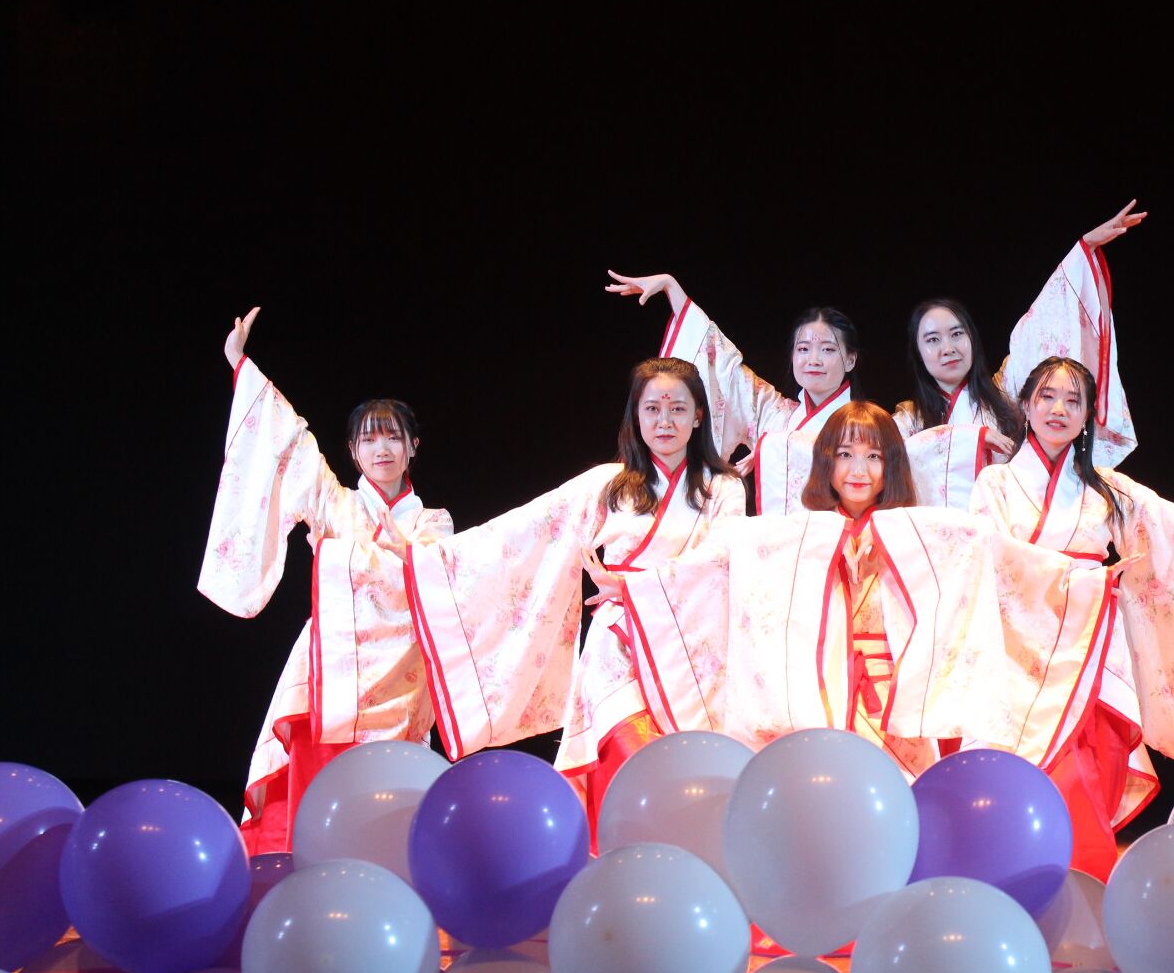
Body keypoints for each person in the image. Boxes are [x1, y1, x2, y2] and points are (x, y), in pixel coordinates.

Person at [609, 402, 1116, 779]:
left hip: (895, 704)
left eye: (873, 456)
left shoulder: (920, 533)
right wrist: (635, 587)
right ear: (825, 463)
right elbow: (720, 561)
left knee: (902, 818)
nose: (858, 470)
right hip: (815, 698)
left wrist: (1084, 580)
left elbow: (998, 553)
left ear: (890, 465)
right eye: (845, 455)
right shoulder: (794, 535)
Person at [971, 357, 1174, 878]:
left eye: (1074, 401)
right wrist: (1078, 579)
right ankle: (1018, 881)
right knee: (1019, 777)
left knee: (1089, 770)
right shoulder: (995, 483)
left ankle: (1086, 888)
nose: (1059, 409)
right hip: (1017, 650)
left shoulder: (1108, 490)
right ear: (1026, 405)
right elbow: (989, 554)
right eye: (1047, 396)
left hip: (1094, 650)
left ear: (1087, 416)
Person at [388, 358, 743, 833]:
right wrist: (428, 559)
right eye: (652, 408)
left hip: (692, 651)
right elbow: (524, 529)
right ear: (635, 415)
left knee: (688, 775)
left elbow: (723, 558)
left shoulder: (723, 488)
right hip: (618, 647)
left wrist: (634, 586)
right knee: (630, 755)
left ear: (698, 415)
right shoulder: (609, 484)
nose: (664, 421)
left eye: (677, 408)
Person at [199, 307, 452, 854]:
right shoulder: (335, 503)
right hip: (330, 668)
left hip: (401, 677)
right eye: (368, 440)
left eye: (392, 438)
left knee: (390, 803)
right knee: (315, 792)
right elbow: (289, 441)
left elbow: (435, 581)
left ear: (413, 446)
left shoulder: (434, 524)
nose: (381, 449)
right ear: (353, 452)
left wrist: (370, 556)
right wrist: (240, 364)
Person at [895, 200, 1146, 507]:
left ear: (973, 339)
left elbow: (1039, 326)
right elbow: (885, 458)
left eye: (957, 334)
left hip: (1004, 530)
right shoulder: (907, 419)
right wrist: (970, 438)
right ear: (918, 353)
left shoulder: (1006, 393)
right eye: (932, 340)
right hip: (933, 534)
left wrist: (1084, 250)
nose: (948, 348)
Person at [603, 263, 861, 515]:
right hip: (779, 541)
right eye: (803, 349)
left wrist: (776, 446)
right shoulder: (777, 414)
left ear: (850, 359)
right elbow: (725, 371)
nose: (813, 360)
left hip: (839, 537)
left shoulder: (864, 425)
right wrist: (671, 288)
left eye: (827, 349)